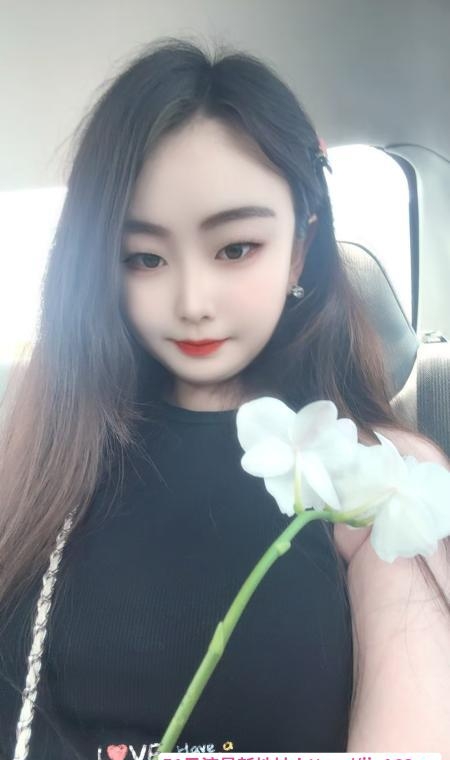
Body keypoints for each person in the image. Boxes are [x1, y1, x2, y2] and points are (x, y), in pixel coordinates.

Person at [0, 37, 449, 760]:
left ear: (300, 246)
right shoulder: (49, 454)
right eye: (143, 258)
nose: (192, 302)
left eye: (236, 248)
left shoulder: (379, 477)